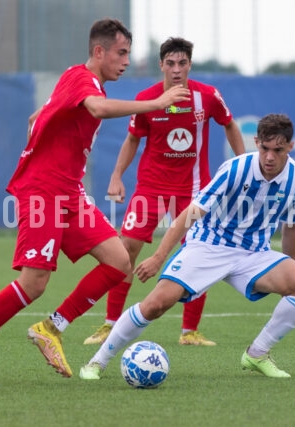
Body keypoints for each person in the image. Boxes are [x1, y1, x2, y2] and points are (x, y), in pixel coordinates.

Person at [0, 18, 190, 386]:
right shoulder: (83, 80)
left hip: (68, 191)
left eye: (128, 54)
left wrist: (43, 128)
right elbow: (97, 109)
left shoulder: (78, 81)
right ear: (98, 51)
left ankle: (51, 328)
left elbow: (37, 115)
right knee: (34, 283)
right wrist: (157, 102)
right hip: (44, 190)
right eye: (121, 53)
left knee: (119, 261)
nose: (125, 61)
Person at [79, 113, 295, 380]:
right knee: (156, 305)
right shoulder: (235, 169)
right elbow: (191, 213)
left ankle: (257, 353)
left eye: (278, 150)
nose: (269, 157)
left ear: (290, 147)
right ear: (256, 142)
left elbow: (292, 226)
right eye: (264, 148)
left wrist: (290, 272)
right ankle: (97, 362)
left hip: (253, 254)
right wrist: (160, 256)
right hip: (208, 245)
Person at [83, 37, 245, 347]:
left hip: (195, 190)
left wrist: (240, 166)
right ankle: (110, 324)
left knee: (199, 253)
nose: (176, 69)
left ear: (189, 65)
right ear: (161, 65)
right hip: (151, 189)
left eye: (182, 63)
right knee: (125, 250)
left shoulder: (208, 96)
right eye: (170, 63)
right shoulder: (147, 99)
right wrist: (117, 175)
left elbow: (230, 125)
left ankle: (189, 331)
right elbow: (132, 140)